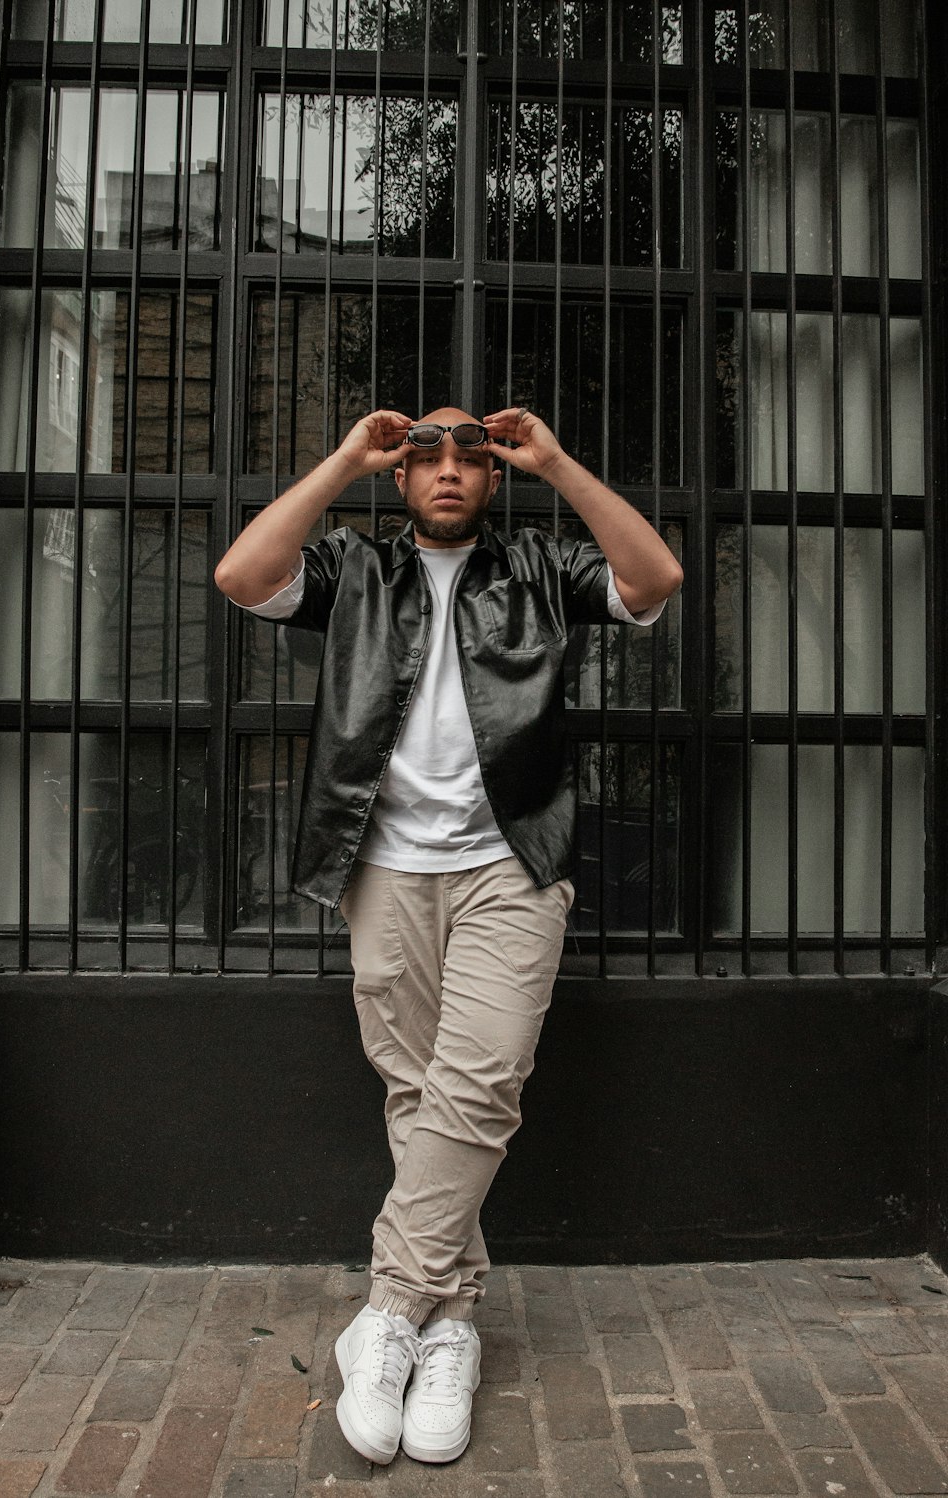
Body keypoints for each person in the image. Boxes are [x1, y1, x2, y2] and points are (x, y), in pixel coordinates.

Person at [214, 404, 682, 1466]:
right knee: (417, 1087)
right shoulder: (353, 572)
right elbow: (242, 576)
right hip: (381, 867)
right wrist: (340, 455)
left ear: (492, 472)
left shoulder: (538, 569)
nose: (448, 469)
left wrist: (557, 460)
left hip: (510, 864)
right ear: (398, 476)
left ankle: (386, 1310)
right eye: (425, 453)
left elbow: (653, 579)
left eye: (469, 453)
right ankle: (452, 1322)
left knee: (481, 1078)